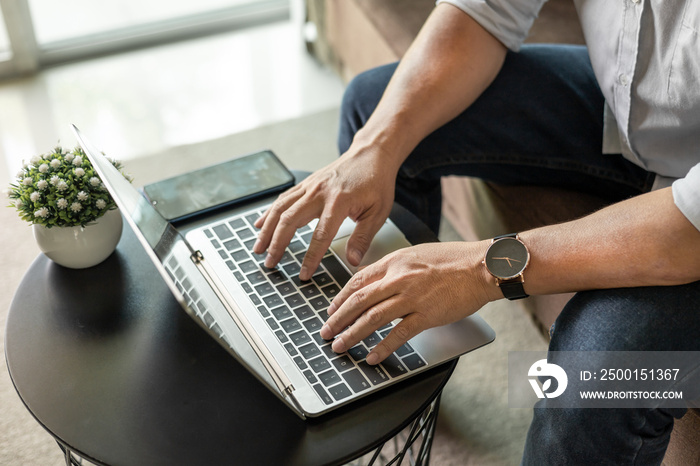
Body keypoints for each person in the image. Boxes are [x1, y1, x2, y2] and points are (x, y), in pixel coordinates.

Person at [253, 0, 700, 463]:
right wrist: (374, 146)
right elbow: (485, 10)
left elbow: (687, 233)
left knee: (593, 374)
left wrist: (479, 268)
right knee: (375, 108)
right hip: (654, 124)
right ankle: (395, 375)